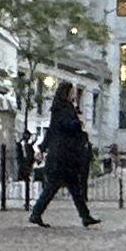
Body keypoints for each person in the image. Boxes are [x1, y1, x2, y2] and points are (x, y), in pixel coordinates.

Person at [29, 81, 100, 227]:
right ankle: (36, 213)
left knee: (72, 189)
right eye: (72, 92)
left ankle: (85, 216)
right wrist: (77, 124)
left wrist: (42, 148)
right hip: (63, 156)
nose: (74, 94)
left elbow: (51, 131)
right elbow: (65, 126)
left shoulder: (59, 109)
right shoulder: (64, 109)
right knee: (55, 188)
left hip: (62, 155)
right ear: (67, 93)